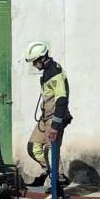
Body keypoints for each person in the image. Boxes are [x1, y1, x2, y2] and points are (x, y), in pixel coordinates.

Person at [23, 41, 71, 189]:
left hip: (54, 118)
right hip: (45, 118)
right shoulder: (47, 71)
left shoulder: (54, 72)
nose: (33, 65)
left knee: (52, 149)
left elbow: (62, 99)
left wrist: (56, 125)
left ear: (42, 58)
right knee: (33, 147)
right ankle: (53, 172)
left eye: (34, 61)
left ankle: (57, 182)